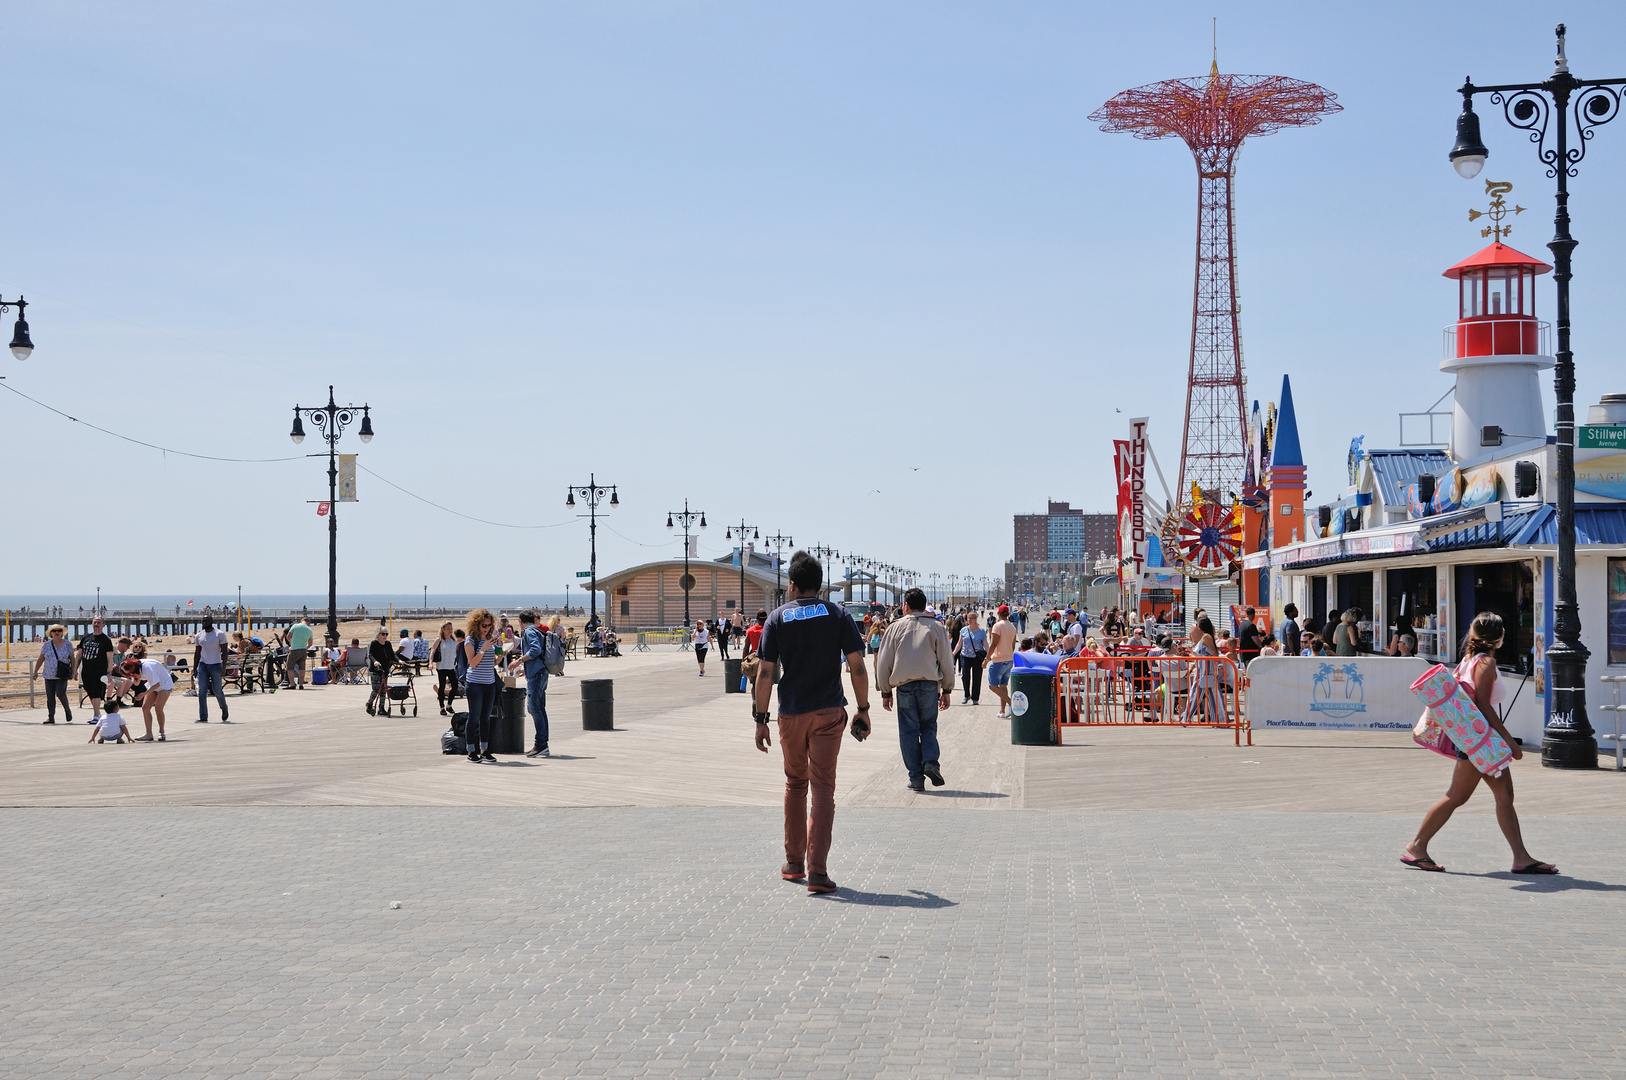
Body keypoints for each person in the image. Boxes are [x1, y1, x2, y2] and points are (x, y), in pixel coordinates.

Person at [1403, 611, 1556, 875]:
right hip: (1478, 742)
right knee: (1457, 796)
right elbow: (1483, 706)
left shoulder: (1468, 660)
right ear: (1499, 637)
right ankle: (1417, 846)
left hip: (1475, 739)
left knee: (1503, 796)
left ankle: (1521, 857)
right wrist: (1510, 742)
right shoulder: (1485, 663)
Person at [753, 552, 870, 895]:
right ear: (819, 587)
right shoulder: (837, 614)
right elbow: (858, 667)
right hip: (829, 712)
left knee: (795, 782)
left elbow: (764, 672)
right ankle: (818, 873)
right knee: (823, 788)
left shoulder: (776, 618)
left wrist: (760, 719)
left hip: (790, 712)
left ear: (791, 585)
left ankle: (793, 864)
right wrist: (863, 708)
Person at [875, 588, 955, 792]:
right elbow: (946, 660)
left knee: (909, 731)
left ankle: (916, 778)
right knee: (929, 725)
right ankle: (930, 762)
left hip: (904, 686)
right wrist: (947, 689)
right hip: (930, 685)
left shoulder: (895, 628)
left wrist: (885, 691)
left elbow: (883, 662)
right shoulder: (936, 627)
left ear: (906, 606)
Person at [462, 609, 499, 763]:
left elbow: (492, 663)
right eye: (484, 625)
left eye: (489, 626)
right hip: (475, 683)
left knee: (486, 718)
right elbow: (473, 663)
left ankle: (484, 749)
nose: (486, 628)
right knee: (474, 717)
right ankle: (471, 750)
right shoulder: (470, 641)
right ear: (476, 625)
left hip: (489, 683)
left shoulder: (489, 640)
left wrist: (501, 655)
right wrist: (483, 649)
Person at [516, 610, 553, 758]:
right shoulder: (536, 630)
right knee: (539, 708)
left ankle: (541, 744)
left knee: (534, 708)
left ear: (520, 621)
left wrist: (518, 661)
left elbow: (535, 649)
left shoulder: (528, 632)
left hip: (536, 675)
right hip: (540, 672)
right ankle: (542, 743)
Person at [75, 617, 116, 726]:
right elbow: (79, 655)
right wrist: (74, 670)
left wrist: (109, 672)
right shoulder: (86, 638)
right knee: (90, 692)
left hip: (100, 671)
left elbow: (110, 658)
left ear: (103, 625)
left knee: (97, 693)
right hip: (86, 671)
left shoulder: (105, 640)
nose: (96, 624)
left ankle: (96, 715)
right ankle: (98, 714)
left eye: (98, 622)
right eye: (94, 622)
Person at [1184, 616, 1225, 723]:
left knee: (1198, 694)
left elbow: (1214, 653)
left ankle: (1186, 718)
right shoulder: (1206, 636)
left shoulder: (1206, 637)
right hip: (1203, 669)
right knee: (1211, 695)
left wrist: (1219, 666)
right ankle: (1220, 720)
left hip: (1205, 670)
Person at [34, 625, 76, 724]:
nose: (57, 632)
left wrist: (74, 670)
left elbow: (72, 658)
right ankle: (51, 717)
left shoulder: (67, 644)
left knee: (61, 693)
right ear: (51, 633)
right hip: (48, 674)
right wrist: (35, 671)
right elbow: (41, 659)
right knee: (50, 697)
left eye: (59, 631)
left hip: (62, 674)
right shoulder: (46, 645)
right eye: (54, 631)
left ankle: (67, 710)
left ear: (62, 633)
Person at [192, 618, 231, 723]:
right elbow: (197, 653)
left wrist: (224, 667)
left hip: (216, 665)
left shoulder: (219, 634)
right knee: (202, 691)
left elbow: (224, 652)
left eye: (206, 621)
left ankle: (224, 708)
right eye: (202, 621)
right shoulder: (199, 636)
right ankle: (203, 716)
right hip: (203, 665)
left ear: (211, 622)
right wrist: (194, 668)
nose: (204, 623)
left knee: (217, 690)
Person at [130, 654, 174, 741]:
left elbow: (157, 684)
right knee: (145, 708)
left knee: (158, 708)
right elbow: (136, 684)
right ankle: (148, 734)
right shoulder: (132, 669)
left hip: (164, 683)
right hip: (152, 683)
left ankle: (162, 732)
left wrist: (144, 694)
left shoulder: (147, 668)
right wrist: (135, 677)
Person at [984, 604, 1018, 718]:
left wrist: (986, 659)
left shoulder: (997, 626)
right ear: (1007, 614)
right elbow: (1013, 646)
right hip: (1009, 659)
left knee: (992, 685)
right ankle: (1003, 711)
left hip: (999, 659)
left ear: (998, 613)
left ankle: (1011, 703)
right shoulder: (1012, 627)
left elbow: (993, 644)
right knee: (1003, 686)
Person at [955, 611, 987, 705]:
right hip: (965, 656)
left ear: (975, 619)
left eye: (971, 618)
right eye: (968, 618)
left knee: (976, 677)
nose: (969, 620)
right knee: (965, 676)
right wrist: (953, 653)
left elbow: (985, 645)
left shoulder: (981, 631)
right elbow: (959, 643)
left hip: (977, 657)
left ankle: (975, 698)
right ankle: (966, 695)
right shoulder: (964, 630)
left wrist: (989, 657)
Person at [431, 622, 459, 716]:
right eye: (448, 629)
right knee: (442, 686)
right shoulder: (439, 640)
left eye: (451, 628)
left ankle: (449, 705)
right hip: (442, 666)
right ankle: (442, 707)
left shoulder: (453, 640)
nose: (450, 630)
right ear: (443, 630)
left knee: (455, 685)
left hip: (451, 666)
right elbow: (432, 651)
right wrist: (430, 663)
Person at [365, 628, 395, 716]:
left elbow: (392, 655)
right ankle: (369, 703)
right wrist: (374, 661)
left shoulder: (388, 644)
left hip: (385, 670)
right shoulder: (374, 644)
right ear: (378, 635)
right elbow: (370, 654)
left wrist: (399, 661)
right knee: (376, 689)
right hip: (375, 670)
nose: (385, 636)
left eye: (386, 634)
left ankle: (381, 708)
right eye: (383, 634)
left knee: (383, 690)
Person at [286, 616, 314, 690]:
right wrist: (306, 648)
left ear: (301, 620)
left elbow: (288, 636)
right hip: (303, 650)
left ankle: (292, 684)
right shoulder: (309, 630)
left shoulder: (295, 626)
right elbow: (310, 643)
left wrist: (291, 644)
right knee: (302, 668)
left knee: (290, 667)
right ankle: (301, 684)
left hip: (294, 649)